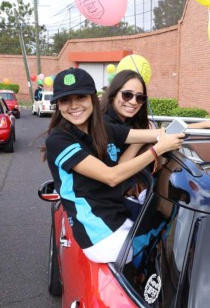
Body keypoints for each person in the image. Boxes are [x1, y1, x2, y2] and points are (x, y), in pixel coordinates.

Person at [44, 67, 185, 263]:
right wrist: (157, 150)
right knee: (171, 252)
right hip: (101, 236)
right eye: (65, 100)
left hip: (117, 218)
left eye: (81, 97)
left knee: (175, 232)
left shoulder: (102, 129)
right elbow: (112, 176)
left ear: (93, 98)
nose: (74, 105)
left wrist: (208, 127)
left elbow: (159, 134)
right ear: (58, 105)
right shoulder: (59, 140)